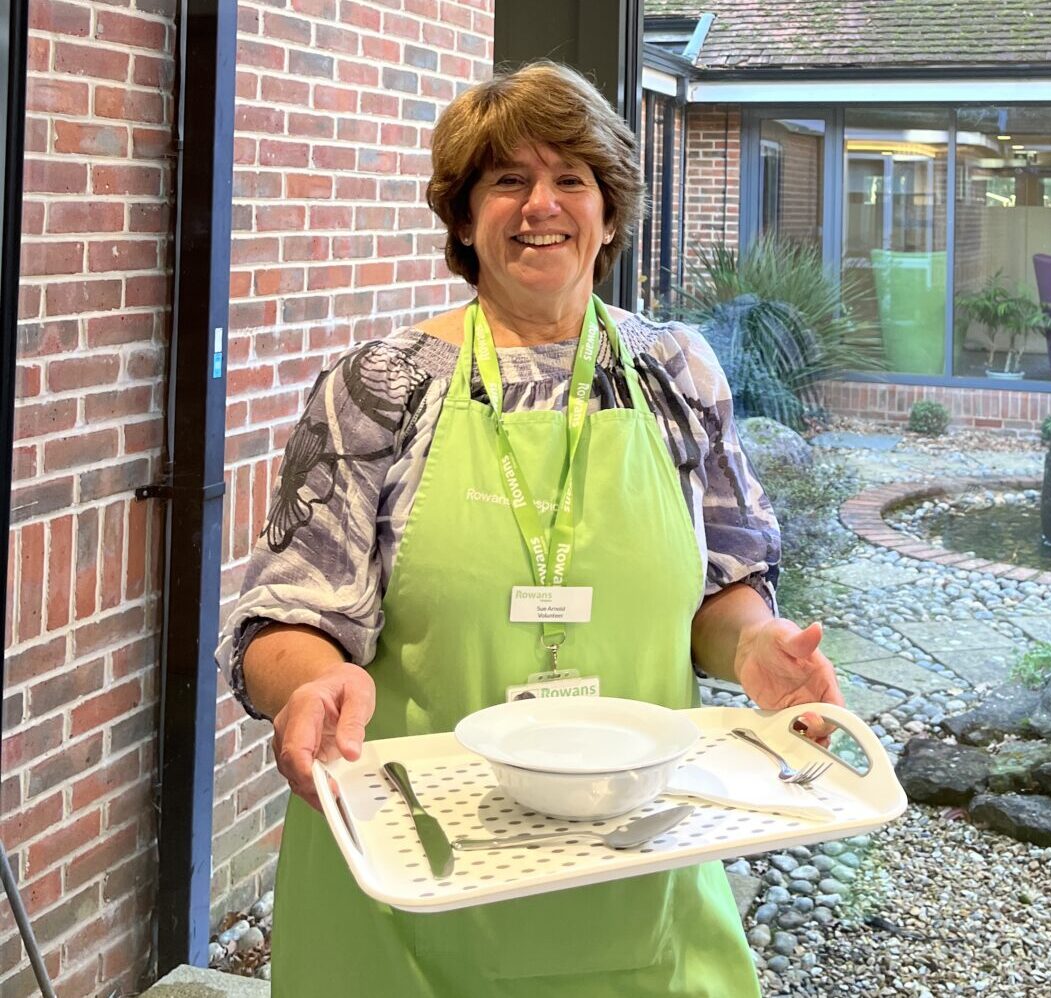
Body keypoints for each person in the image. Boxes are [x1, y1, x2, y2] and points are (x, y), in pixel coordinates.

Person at [217, 60, 843, 996]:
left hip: (636, 874)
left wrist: (755, 646)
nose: (538, 205)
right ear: (465, 219)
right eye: (506, 180)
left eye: (570, 179)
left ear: (608, 210)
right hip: (411, 890)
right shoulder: (381, 390)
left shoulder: (678, 373)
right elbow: (284, 618)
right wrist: (309, 686)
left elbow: (724, 584)